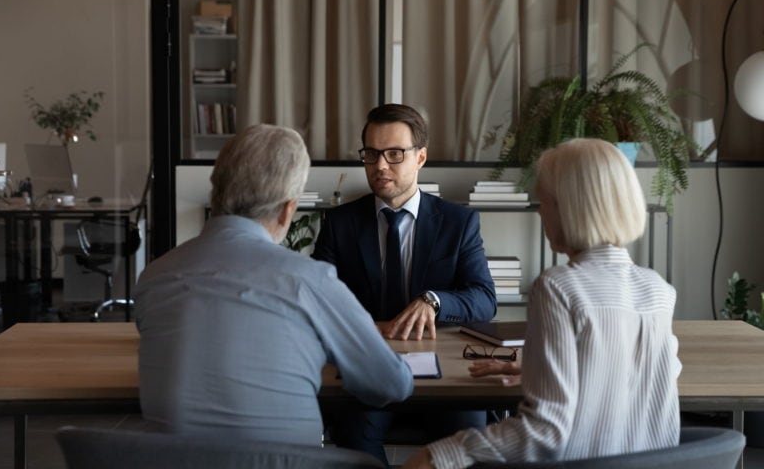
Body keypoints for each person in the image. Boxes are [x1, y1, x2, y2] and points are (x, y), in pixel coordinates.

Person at [402, 138, 682, 469]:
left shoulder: (558, 288)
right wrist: (540, 369)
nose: (540, 213)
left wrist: (445, 453)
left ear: (570, 208)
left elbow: (546, 433)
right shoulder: (658, 289)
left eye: (544, 202)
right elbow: (634, 382)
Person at [135, 124, 414, 446]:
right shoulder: (309, 280)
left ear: (217, 193)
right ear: (288, 210)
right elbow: (390, 385)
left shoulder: (154, 276)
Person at [312, 103, 497, 465]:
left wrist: (434, 301)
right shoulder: (340, 224)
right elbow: (319, 300)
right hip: (368, 370)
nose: (380, 166)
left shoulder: (458, 223)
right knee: (353, 441)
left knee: (471, 441)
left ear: (421, 157)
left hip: (442, 374)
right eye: (371, 154)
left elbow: (484, 299)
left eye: (394, 154)